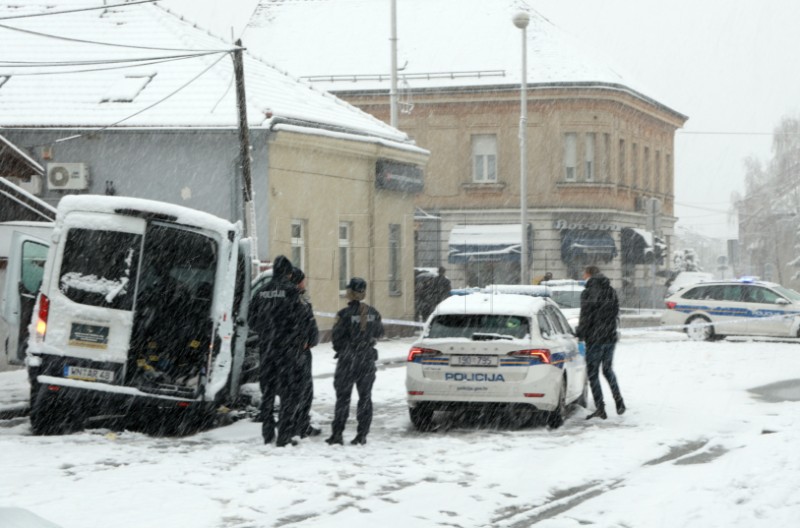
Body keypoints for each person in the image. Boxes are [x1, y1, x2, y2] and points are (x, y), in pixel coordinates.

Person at [247, 255, 306, 446]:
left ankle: (267, 433)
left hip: (267, 349)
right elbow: (300, 320)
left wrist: (266, 331)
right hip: (286, 350)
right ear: (288, 273)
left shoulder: (262, 292)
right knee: (288, 393)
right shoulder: (291, 292)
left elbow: (251, 320)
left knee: (268, 393)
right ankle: (284, 436)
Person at [326, 277, 384, 446]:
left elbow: (336, 339)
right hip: (366, 358)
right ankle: (362, 435)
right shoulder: (373, 313)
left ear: (350, 293)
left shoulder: (344, 314)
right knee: (365, 397)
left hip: (347, 360)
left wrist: (345, 350)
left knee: (343, 398)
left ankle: (337, 434)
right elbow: (379, 332)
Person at [575, 265, 626, 420]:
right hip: (609, 337)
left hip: (595, 338)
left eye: (584, 273)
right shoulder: (610, 291)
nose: (583, 276)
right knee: (608, 370)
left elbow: (586, 316)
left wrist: (580, 333)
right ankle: (619, 401)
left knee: (593, 373)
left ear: (589, 274)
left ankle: (600, 408)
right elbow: (615, 313)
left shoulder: (588, 292)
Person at [290, 266, 321, 438]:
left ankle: (296, 424)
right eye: (303, 279)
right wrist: (307, 341)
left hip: (291, 352)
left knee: (296, 390)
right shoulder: (299, 302)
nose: (305, 282)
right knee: (302, 391)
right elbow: (308, 325)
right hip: (299, 352)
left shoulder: (293, 299)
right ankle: (299, 426)